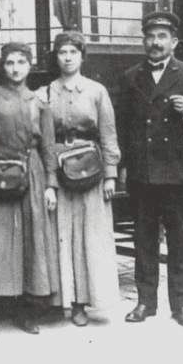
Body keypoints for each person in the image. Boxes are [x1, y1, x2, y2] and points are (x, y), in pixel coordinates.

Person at [117, 11, 183, 328]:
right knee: (144, 240)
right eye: (150, 36)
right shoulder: (131, 77)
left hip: (175, 171)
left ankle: (181, 305)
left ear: (174, 42)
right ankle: (145, 302)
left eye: (161, 37)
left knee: (178, 242)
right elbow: (123, 125)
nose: (155, 42)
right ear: (144, 40)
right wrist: (124, 166)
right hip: (143, 172)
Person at [0, 42, 59, 340]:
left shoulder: (39, 102)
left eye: (21, 62)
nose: (15, 68)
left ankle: (24, 310)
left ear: (29, 65)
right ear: (3, 66)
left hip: (32, 173)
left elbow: (48, 147)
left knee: (30, 240)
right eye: (10, 62)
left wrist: (50, 185)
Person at [42, 31, 121, 326]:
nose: (67, 58)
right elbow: (42, 139)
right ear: (56, 57)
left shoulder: (97, 91)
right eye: (62, 52)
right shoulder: (45, 92)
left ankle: (82, 304)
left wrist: (110, 175)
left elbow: (109, 135)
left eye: (73, 52)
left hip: (91, 170)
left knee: (90, 236)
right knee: (61, 233)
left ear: (82, 56)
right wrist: (49, 179)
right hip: (59, 168)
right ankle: (61, 300)